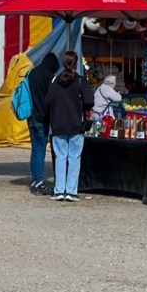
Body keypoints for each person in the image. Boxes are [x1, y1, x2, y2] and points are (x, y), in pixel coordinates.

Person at [44, 51, 93, 202]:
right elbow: (90, 101)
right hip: (76, 125)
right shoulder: (80, 81)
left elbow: (47, 102)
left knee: (60, 158)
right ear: (76, 63)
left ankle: (59, 190)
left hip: (58, 124)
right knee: (74, 158)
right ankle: (71, 191)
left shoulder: (55, 81)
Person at [24, 53, 59, 195]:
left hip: (30, 115)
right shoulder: (49, 77)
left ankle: (34, 179)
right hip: (42, 117)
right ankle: (38, 182)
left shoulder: (31, 72)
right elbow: (52, 98)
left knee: (34, 149)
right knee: (40, 150)